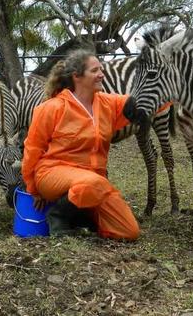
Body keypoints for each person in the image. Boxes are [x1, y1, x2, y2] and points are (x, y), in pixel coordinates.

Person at [21, 49, 140, 240]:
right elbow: (32, 149)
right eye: (95, 71)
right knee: (92, 183)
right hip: (52, 174)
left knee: (128, 231)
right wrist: (33, 189)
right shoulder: (52, 108)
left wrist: (148, 103)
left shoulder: (106, 103)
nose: (101, 74)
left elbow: (131, 102)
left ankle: (81, 215)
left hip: (93, 181)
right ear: (77, 76)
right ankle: (58, 215)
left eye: (101, 69)